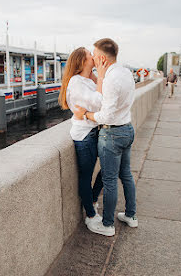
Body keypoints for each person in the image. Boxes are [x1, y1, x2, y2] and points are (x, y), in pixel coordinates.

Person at [74, 38, 137, 237]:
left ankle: (108, 225)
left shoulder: (109, 79)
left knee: (109, 181)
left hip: (113, 134)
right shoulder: (125, 72)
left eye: (93, 53)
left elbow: (106, 115)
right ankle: (131, 216)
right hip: (127, 128)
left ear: (101, 58)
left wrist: (86, 115)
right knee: (126, 175)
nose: (92, 56)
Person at [58, 47, 104, 230]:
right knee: (86, 176)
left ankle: (92, 200)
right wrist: (99, 75)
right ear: (82, 61)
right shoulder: (76, 83)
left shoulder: (87, 79)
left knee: (109, 168)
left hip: (95, 130)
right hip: (84, 135)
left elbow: (105, 98)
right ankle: (90, 216)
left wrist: (95, 75)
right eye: (89, 54)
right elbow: (100, 103)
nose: (93, 56)